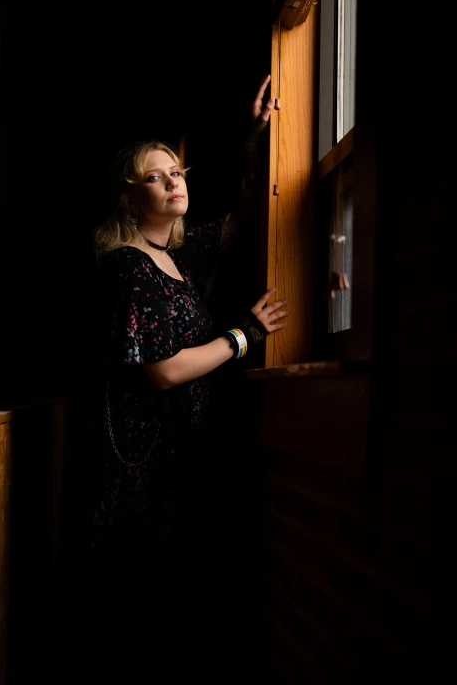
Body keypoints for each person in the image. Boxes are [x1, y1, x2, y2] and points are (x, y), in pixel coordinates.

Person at [53, 75, 291, 681]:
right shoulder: (129, 267)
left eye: (177, 171)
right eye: (155, 177)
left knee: (165, 604)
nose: (173, 180)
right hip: (135, 465)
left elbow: (240, 217)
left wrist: (256, 139)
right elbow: (163, 372)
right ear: (130, 199)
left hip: (171, 461)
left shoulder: (175, 260)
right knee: (134, 606)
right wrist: (244, 337)